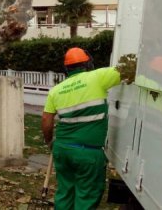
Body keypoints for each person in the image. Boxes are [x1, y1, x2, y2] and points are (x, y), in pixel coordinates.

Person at [41, 47, 121, 209]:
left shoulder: (55, 91)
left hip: (62, 149)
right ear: (88, 64)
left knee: (65, 191)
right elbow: (128, 70)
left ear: (66, 68)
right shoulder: (98, 77)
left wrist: (50, 142)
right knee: (87, 195)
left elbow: (46, 120)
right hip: (88, 153)